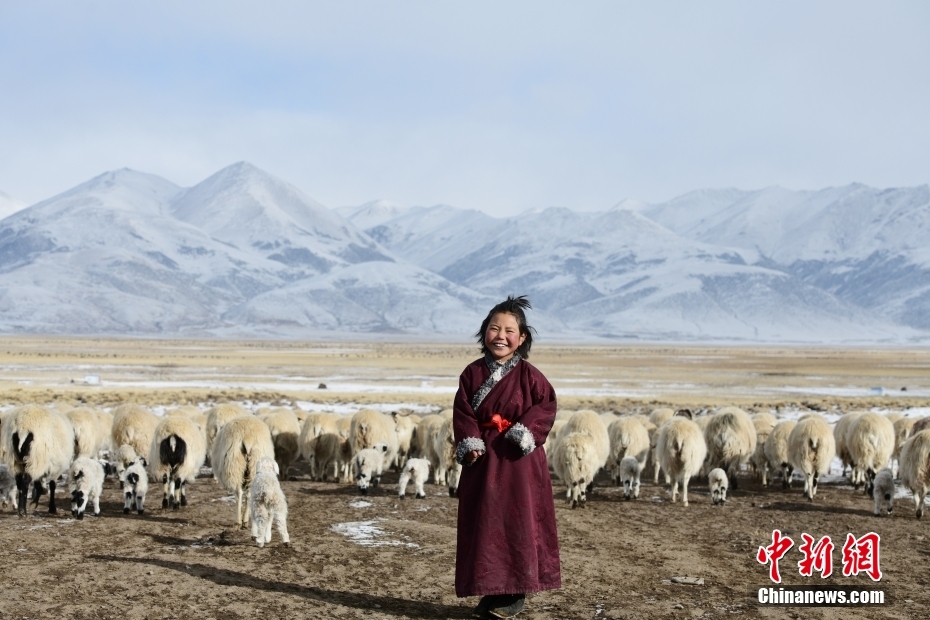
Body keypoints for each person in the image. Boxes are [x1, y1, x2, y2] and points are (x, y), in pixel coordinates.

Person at [452, 295, 561, 619]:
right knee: (484, 523)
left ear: (522, 338)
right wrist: (470, 441)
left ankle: (515, 593)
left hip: (518, 462)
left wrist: (524, 432)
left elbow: (546, 407)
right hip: (483, 460)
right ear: (484, 331)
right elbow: (463, 411)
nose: (501, 335)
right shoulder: (471, 374)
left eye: (509, 330)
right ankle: (491, 589)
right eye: (494, 328)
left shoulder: (531, 377)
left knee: (518, 521)